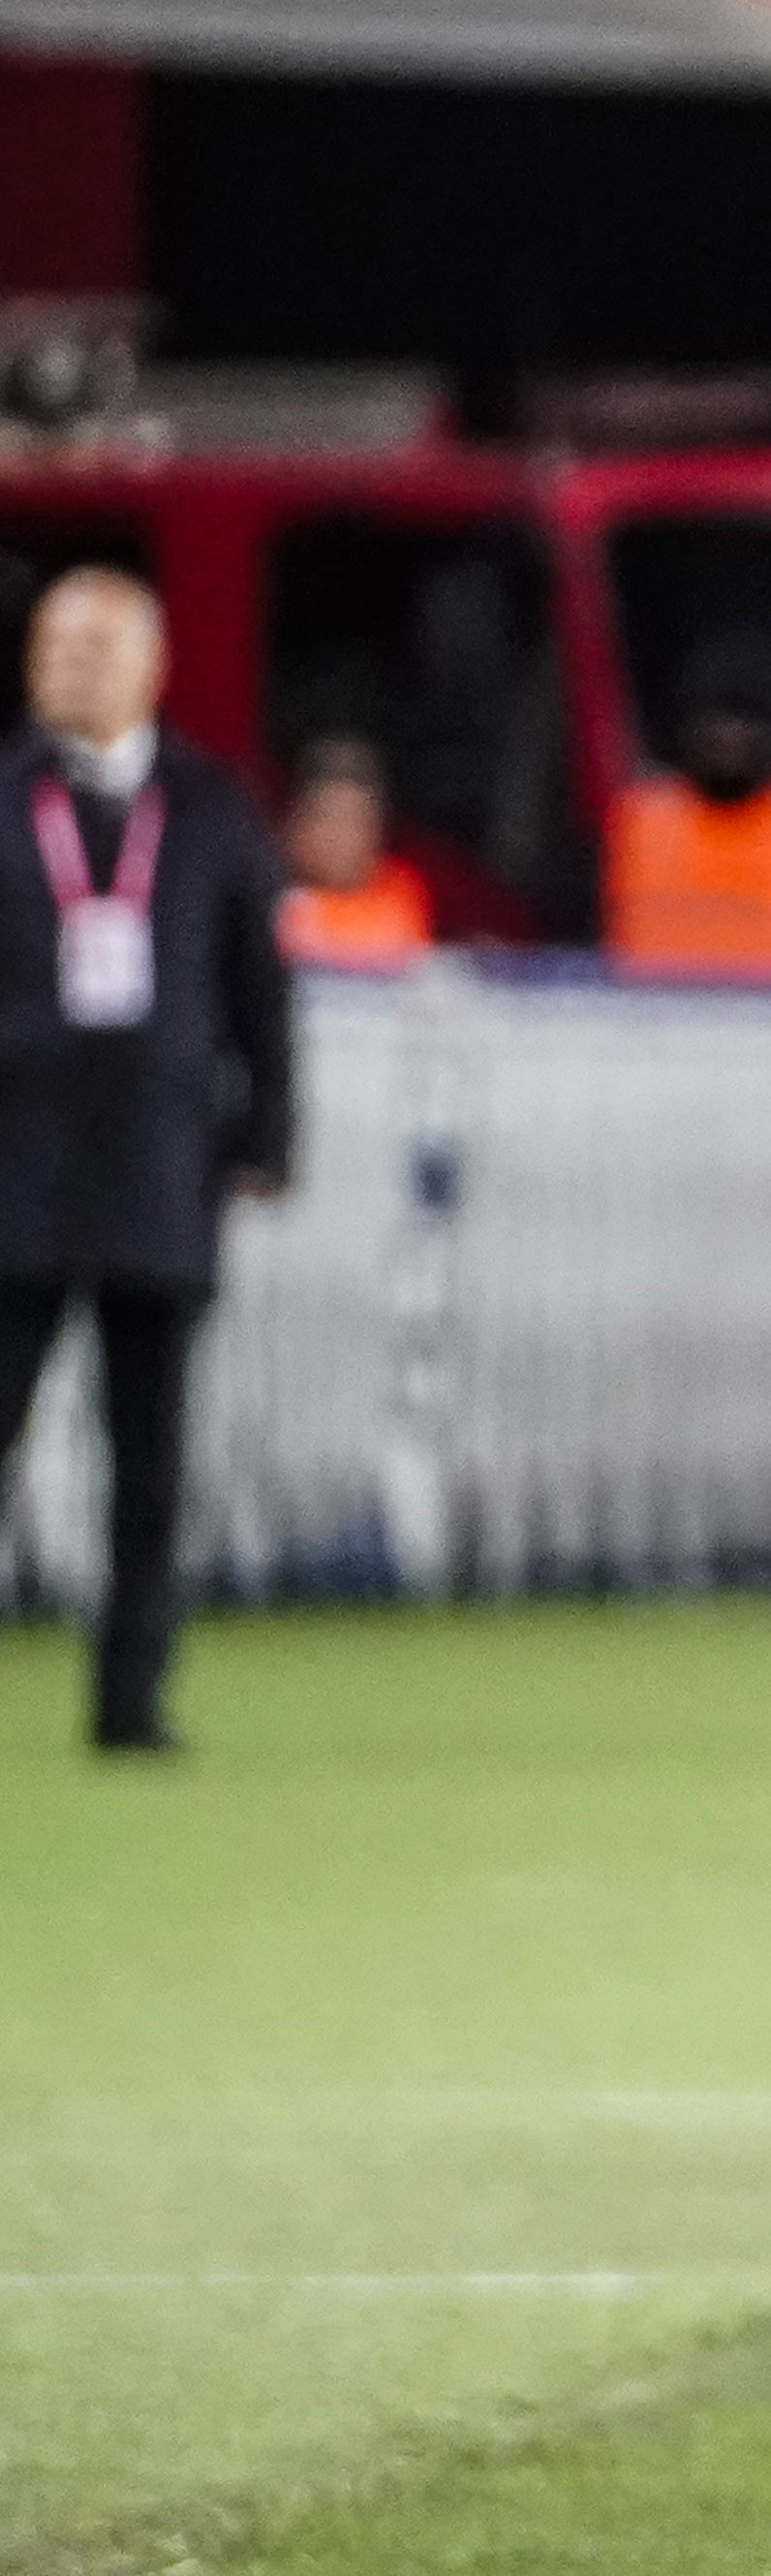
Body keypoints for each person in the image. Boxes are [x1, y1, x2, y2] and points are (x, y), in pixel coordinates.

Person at [0, 568, 294, 1753]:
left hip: (160, 1170)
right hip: (15, 1168)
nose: (68, 665)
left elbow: (260, 989)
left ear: (152, 665)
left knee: (151, 1459)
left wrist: (268, 1132)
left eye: (94, 645)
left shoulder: (212, 808)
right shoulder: (4, 796)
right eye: (53, 644)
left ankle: (131, 1695)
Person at [603, 648, 771, 978]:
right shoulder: (637, 819)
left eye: (746, 721)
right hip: (649, 1005)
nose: (730, 737)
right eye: (716, 721)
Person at [274, 734, 435, 969]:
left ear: (376, 829)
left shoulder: (402, 897)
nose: (338, 838)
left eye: (352, 822)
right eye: (327, 819)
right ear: (296, 824)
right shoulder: (271, 899)